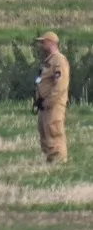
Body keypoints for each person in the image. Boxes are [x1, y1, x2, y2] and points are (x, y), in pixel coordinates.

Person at [33, 31, 70, 164]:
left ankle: (59, 160)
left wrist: (49, 100)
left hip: (53, 104)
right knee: (44, 131)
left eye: (44, 42)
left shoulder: (59, 60)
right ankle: (50, 159)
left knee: (54, 130)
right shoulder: (49, 60)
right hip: (44, 104)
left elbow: (60, 84)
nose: (42, 45)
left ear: (52, 42)